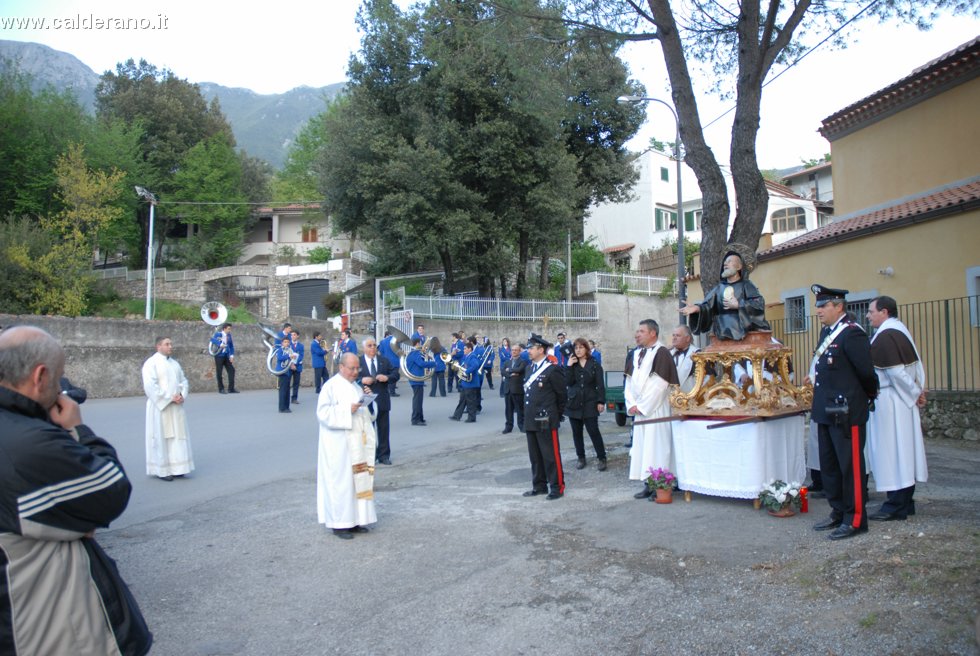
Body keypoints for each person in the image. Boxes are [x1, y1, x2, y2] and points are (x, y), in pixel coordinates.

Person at [0, 326, 153, 655]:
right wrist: (78, 429)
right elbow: (110, 490)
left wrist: (72, 518)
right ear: (40, 377)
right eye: (58, 378)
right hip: (43, 629)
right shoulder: (29, 444)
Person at [805, 284, 879, 540]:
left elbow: (867, 374)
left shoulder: (852, 334)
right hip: (826, 411)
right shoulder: (829, 333)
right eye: (817, 306)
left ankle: (855, 518)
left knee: (850, 467)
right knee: (830, 466)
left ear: (839, 306)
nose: (818, 311)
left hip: (847, 412)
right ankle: (838, 510)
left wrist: (866, 398)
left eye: (823, 306)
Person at [866, 295, 928, 521]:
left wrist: (913, 393)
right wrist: (917, 391)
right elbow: (915, 368)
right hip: (901, 400)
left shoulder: (887, 335)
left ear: (884, 312)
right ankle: (904, 501)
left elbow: (895, 372)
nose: (868, 315)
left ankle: (895, 505)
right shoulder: (900, 330)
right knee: (903, 451)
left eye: (871, 311)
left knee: (892, 452)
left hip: (891, 402)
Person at [316, 353, 377, 540]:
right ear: (341, 367)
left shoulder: (356, 386)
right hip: (338, 445)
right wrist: (345, 411)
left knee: (356, 480)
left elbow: (366, 415)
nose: (355, 372)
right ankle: (339, 523)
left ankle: (357, 520)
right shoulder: (330, 386)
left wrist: (367, 401)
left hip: (356, 443)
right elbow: (322, 413)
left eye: (357, 368)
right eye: (352, 368)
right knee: (341, 483)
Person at [626, 320, 679, 499]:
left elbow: (660, 384)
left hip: (656, 408)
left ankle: (661, 484)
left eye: (641, 331)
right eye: (637, 331)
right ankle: (648, 483)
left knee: (656, 446)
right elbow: (629, 381)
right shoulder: (636, 353)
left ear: (653, 333)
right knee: (643, 447)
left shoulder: (661, 353)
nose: (637, 334)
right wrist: (631, 403)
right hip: (640, 408)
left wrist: (642, 406)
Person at [680, 245, 771, 340]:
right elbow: (708, 306)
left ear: (739, 266)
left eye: (729, 261)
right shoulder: (719, 288)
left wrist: (739, 305)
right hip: (721, 331)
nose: (725, 264)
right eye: (725, 262)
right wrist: (697, 308)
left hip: (742, 332)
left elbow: (759, 304)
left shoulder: (746, 285)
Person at [522, 334, 568, 500]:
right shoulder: (529, 368)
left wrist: (556, 415)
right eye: (528, 348)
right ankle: (539, 485)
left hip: (545, 419)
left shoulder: (552, 369)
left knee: (550, 455)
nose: (528, 351)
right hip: (530, 419)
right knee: (535, 456)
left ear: (541, 350)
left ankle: (557, 487)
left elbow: (562, 395)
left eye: (531, 348)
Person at [142, 336, 194, 481]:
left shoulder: (175, 364)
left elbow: (183, 381)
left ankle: (179, 468)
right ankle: (162, 470)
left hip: (175, 406)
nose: (171, 346)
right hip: (160, 407)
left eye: (171, 344)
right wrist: (168, 398)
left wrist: (181, 395)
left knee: (178, 436)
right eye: (167, 344)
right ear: (158, 346)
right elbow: (150, 385)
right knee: (161, 437)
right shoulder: (151, 363)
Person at [565, 337, 608, 471]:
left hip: (590, 402)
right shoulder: (571, 364)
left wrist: (601, 401)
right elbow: (568, 382)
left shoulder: (594, 364)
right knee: (576, 433)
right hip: (574, 403)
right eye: (576, 348)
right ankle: (581, 457)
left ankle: (601, 458)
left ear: (586, 349)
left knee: (593, 431)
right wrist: (569, 366)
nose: (578, 350)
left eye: (581, 347)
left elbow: (600, 384)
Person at [360, 337, 400, 465]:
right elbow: (350, 377)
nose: (373, 348)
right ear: (364, 348)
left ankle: (383, 455)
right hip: (366, 401)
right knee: (368, 431)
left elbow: (395, 374)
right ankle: (369, 456)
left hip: (382, 399)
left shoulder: (384, 361)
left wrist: (386, 377)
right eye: (369, 345)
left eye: (374, 345)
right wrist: (361, 380)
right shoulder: (358, 362)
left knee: (383, 429)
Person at [406, 337, 436, 425]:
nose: (422, 345)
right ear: (417, 344)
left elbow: (419, 363)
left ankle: (420, 417)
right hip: (416, 379)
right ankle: (415, 419)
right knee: (417, 400)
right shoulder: (415, 353)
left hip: (417, 379)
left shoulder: (414, 353)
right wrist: (433, 363)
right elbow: (421, 364)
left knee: (419, 399)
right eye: (420, 343)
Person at [449, 341, 482, 423]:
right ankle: (457, 415)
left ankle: (472, 418)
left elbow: (475, 365)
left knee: (470, 401)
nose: (463, 350)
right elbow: (462, 365)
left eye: (465, 348)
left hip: (471, 383)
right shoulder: (466, 356)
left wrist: (466, 371)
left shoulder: (472, 356)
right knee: (462, 400)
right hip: (465, 383)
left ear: (470, 349)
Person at [501, 343, 527, 433]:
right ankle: (508, 426)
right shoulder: (507, 362)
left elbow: (520, 370)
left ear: (519, 351)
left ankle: (522, 425)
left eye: (516, 350)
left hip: (517, 389)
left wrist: (510, 370)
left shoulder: (523, 361)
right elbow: (503, 371)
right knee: (508, 410)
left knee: (520, 409)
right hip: (508, 389)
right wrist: (511, 374)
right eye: (512, 350)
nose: (514, 352)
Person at [670, 324, 700, 394]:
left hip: (690, 398)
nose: (674, 338)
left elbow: (706, 379)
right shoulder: (669, 353)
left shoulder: (697, 355)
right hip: (670, 398)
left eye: (678, 335)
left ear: (688, 338)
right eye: (673, 335)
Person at [210, 322, 238, 394]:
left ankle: (231, 388)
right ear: (224, 328)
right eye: (229, 329)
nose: (230, 330)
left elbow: (231, 346)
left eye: (230, 329)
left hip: (226, 355)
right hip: (219, 356)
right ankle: (221, 389)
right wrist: (220, 344)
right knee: (219, 372)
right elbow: (212, 339)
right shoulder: (218, 334)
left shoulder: (229, 336)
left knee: (232, 370)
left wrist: (231, 356)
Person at [379, 330, 402, 397]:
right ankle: (392, 392)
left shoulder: (382, 341)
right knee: (393, 376)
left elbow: (381, 352)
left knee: (386, 376)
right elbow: (398, 352)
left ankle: (386, 390)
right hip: (395, 361)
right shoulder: (396, 341)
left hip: (386, 361)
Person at [276, 335, 295, 413]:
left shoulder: (290, 350)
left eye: (288, 342)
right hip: (282, 371)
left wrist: (292, 363)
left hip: (288, 372)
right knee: (283, 391)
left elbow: (291, 359)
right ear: (282, 343)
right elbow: (280, 358)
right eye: (285, 342)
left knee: (287, 390)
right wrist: (288, 356)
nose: (286, 343)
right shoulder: (280, 350)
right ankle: (282, 408)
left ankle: (287, 407)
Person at [289, 330, 305, 404]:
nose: (293, 336)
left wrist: (295, 364)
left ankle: (294, 398)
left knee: (296, 383)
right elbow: (287, 355)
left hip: (297, 366)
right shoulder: (288, 344)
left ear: (297, 336)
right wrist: (291, 364)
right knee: (287, 383)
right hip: (289, 366)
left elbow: (301, 356)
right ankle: (286, 397)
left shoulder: (301, 345)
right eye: (291, 335)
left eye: (294, 335)